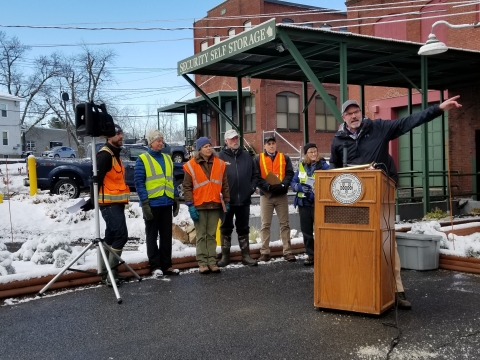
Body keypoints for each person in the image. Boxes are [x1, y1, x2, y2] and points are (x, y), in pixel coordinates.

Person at [330, 96, 462, 309]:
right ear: (343, 117)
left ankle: (396, 290)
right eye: (349, 113)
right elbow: (334, 169)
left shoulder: (380, 128)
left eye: (356, 112)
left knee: (388, 244)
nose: (354, 116)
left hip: (380, 196)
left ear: (361, 113)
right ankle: (358, 290)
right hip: (353, 201)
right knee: (356, 245)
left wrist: (439, 108)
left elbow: (409, 121)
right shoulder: (338, 139)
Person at [134, 129, 180, 278]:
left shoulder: (167, 158)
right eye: (158, 140)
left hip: (166, 203)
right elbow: (139, 182)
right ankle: (155, 266)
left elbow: (171, 180)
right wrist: (145, 203)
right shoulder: (143, 159)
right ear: (151, 142)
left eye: (162, 140)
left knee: (166, 236)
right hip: (152, 205)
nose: (161, 143)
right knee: (152, 236)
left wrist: (176, 197)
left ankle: (167, 265)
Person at [183, 137, 230, 274]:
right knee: (201, 235)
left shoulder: (220, 164)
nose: (209, 148)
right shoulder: (191, 165)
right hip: (200, 205)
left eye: (210, 146)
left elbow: (225, 185)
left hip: (215, 204)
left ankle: (212, 261)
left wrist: (227, 201)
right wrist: (190, 205)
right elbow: (187, 187)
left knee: (211, 235)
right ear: (199, 149)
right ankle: (202, 262)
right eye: (205, 146)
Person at [93, 124, 130, 286]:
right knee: (121, 236)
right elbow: (96, 179)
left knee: (111, 237)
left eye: (121, 133)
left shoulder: (115, 155)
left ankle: (105, 273)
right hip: (108, 204)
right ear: (109, 137)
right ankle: (111, 274)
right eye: (117, 134)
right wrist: (91, 200)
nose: (121, 136)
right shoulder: (105, 155)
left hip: (116, 202)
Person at [217, 129, 257, 267]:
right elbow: (215, 177)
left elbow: (255, 174)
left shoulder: (246, 156)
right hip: (227, 200)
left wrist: (251, 188)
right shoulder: (220, 157)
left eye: (236, 138)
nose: (235, 141)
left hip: (244, 199)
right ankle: (225, 256)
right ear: (226, 141)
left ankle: (246, 255)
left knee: (243, 228)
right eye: (231, 139)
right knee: (225, 228)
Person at [254, 136, 296, 262]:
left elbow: (290, 174)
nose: (271, 146)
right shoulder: (258, 158)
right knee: (265, 224)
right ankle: (265, 252)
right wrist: (266, 186)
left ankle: (287, 252)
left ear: (276, 145)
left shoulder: (285, 158)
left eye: (273, 143)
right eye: (269, 144)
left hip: (281, 195)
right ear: (264, 146)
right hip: (266, 195)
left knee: (285, 224)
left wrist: (283, 185)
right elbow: (256, 176)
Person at [291, 143, 329, 266]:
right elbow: (293, 182)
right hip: (304, 203)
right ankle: (310, 254)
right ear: (306, 154)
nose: (313, 154)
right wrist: (299, 187)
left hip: (318, 203)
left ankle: (323, 254)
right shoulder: (301, 166)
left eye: (315, 151)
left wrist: (318, 189)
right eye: (310, 152)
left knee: (320, 230)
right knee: (306, 231)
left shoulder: (324, 166)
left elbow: (329, 180)